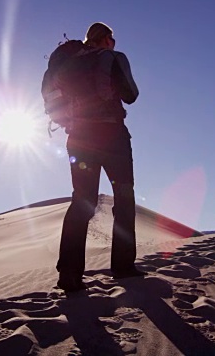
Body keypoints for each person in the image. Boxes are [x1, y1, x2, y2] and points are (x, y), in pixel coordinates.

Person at [56, 22, 144, 292]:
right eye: (112, 39)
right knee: (124, 198)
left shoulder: (69, 65)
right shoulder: (113, 58)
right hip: (112, 136)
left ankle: (69, 275)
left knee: (82, 201)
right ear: (105, 40)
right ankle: (122, 266)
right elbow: (131, 94)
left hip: (79, 139)